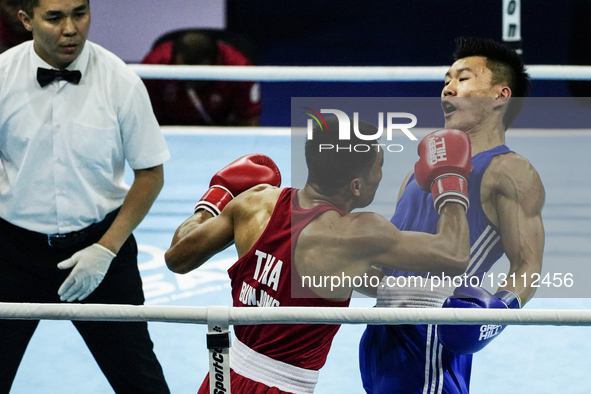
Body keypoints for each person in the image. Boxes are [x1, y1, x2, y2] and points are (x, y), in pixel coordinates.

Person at [165, 116, 474, 393]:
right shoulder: (360, 233)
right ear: (356, 185)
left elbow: (177, 258)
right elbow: (454, 255)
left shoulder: (255, 202)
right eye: (378, 166)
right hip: (284, 388)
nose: (381, 175)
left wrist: (216, 199)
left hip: (222, 379)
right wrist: (450, 181)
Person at [0, 0, 170, 392]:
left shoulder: (120, 80)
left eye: (80, 13)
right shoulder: (3, 77)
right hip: (12, 256)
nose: (71, 28)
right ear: (26, 20)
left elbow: (150, 174)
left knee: (142, 383)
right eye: (55, 17)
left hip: (103, 250)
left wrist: (106, 250)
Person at [359, 37, 546, 394]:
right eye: (446, 80)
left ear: (499, 96)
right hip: (379, 340)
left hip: (434, 337)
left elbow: (527, 266)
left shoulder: (510, 170)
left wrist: (494, 314)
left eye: (462, 79)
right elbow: (386, 273)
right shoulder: (417, 174)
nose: (447, 88)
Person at [141, 29, 262, 126]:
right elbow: (144, 119)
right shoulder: (154, 65)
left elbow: (249, 121)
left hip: (223, 127)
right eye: (183, 74)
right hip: (168, 128)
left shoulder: (239, 68)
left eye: (196, 79)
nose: (190, 83)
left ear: (214, 61)